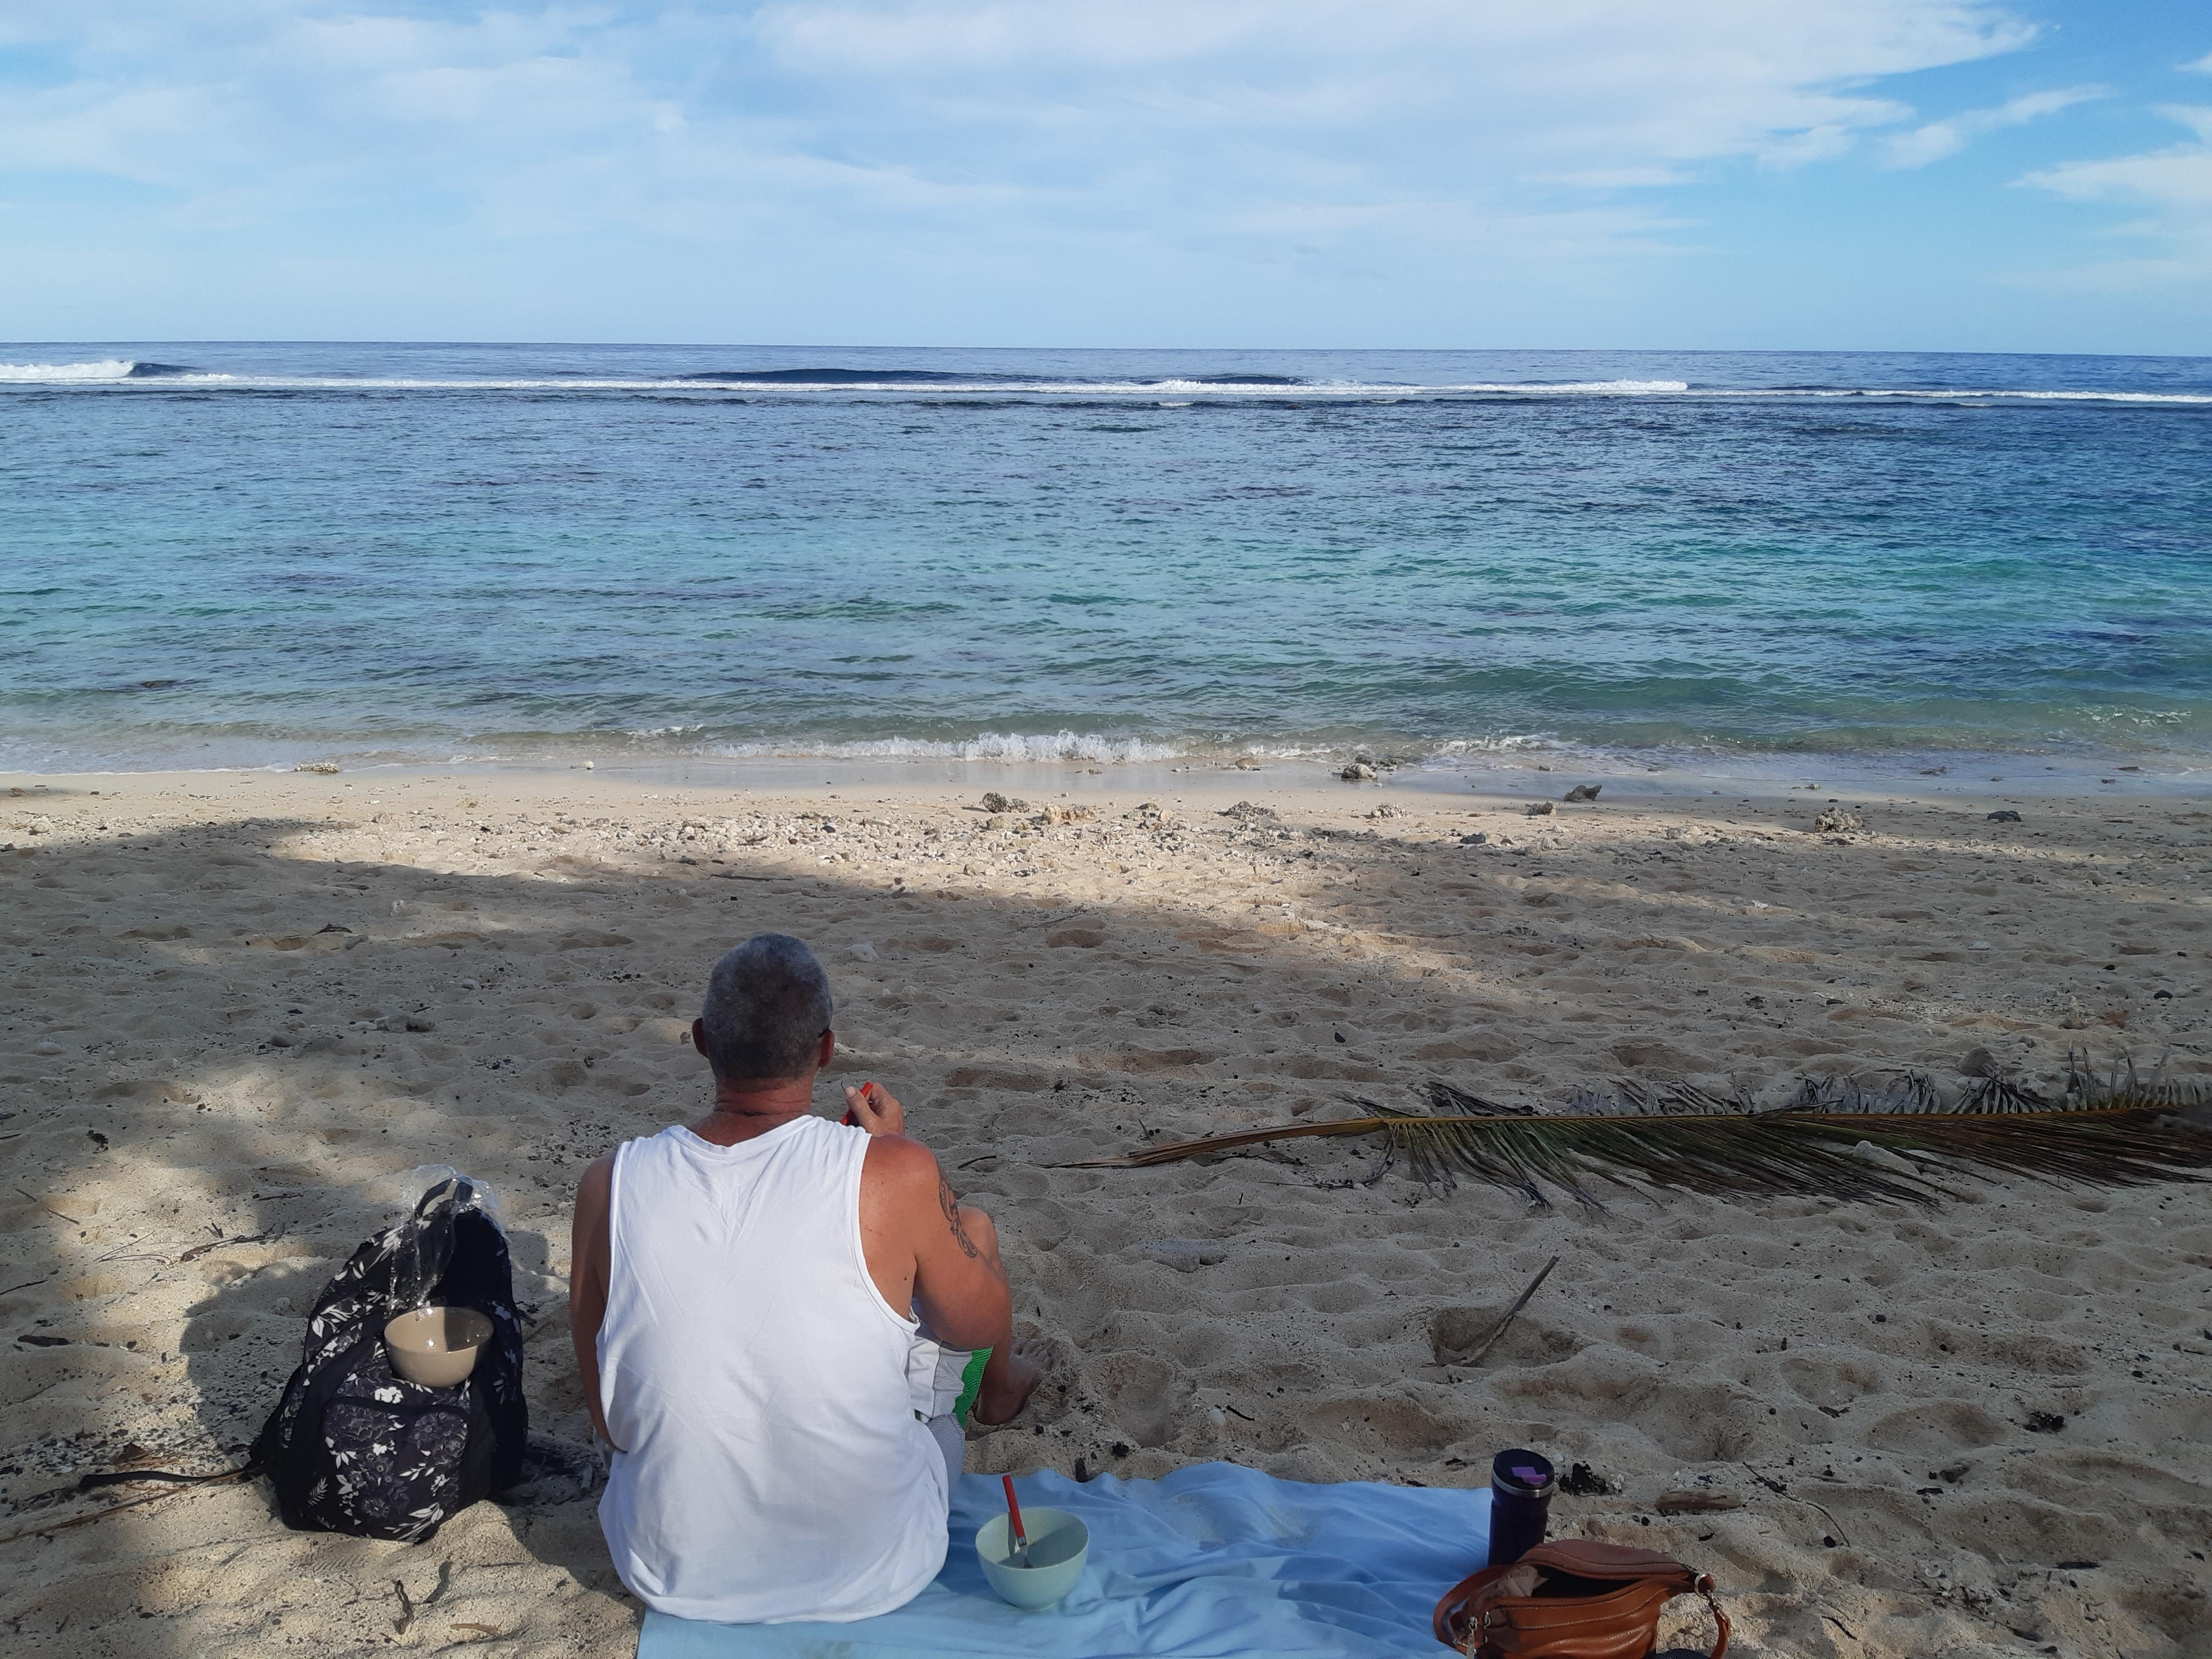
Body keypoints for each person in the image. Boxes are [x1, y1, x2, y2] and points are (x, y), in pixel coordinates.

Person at [568, 933, 1045, 1623]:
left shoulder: (608, 1184)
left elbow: (609, 1423)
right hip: (879, 1565)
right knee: (971, 1234)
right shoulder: (893, 1170)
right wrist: (892, 1156)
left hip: (669, 1565)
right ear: (825, 1050)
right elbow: (977, 1324)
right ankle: (1002, 1393)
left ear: (703, 1040)